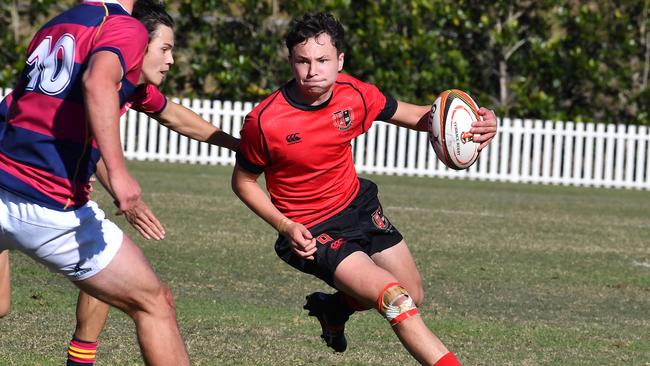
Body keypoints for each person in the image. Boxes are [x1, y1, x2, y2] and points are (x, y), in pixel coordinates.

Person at [232, 12, 497, 366]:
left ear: (340, 61)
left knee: (412, 293)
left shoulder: (355, 94)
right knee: (395, 299)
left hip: (358, 207)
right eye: (303, 61)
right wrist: (285, 225)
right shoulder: (265, 121)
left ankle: (333, 309)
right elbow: (243, 181)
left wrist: (474, 124)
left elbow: (423, 116)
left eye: (323, 60)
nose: (313, 70)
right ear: (291, 61)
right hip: (312, 229)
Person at [0, 1, 239, 365]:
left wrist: (239, 146)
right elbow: (97, 83)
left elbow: (172, 115)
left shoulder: (58, 25)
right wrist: (121, 176)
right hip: (46, 201)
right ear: (138, 48)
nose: (171, 59)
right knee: (154, 302)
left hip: (6, 184)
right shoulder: (123, 27)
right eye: (165, 48)